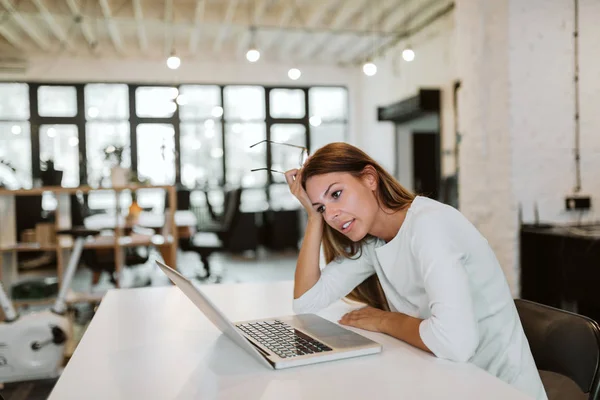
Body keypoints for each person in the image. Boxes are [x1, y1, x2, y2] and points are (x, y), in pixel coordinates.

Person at [285, 142, 546, 400]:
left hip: (498, 388)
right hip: (448, 380)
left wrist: (384, 320)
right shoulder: (375, 241)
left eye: (336, 194)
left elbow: (455, 343)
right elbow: (306, 302)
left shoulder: (428, 225)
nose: (331, 214)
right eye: (321, 207)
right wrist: (313, 217)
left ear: (369, 178)